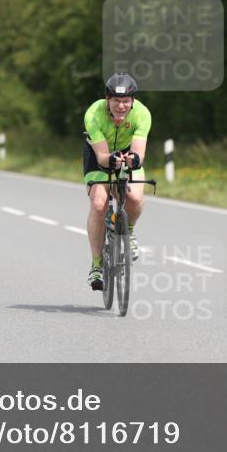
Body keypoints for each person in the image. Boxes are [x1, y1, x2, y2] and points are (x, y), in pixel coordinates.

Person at [83, 73, 151, 290]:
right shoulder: (94, 114)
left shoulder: (142, 114)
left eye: (126, 101)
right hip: (99, 155)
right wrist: (110, 161)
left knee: (135, 198)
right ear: (107, 99)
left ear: (132, 101)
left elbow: (139, 152)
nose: (121, 106)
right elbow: (103, 157)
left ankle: (128, 230)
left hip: (126, 152)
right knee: (98, 204)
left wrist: (134, 159)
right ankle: (96, 265)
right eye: (116, 101)